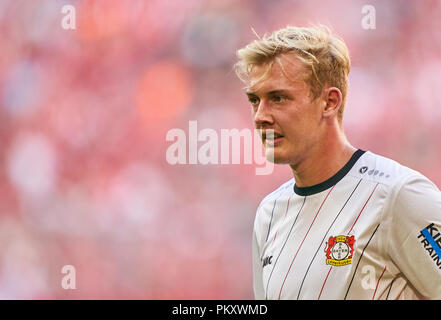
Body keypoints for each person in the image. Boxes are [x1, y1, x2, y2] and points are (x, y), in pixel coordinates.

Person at [234, 25, 441, 300]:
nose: (260, 115)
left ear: (329, 102)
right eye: (254, 100)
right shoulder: (269, 213)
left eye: (278, 98)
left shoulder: (398, 194)